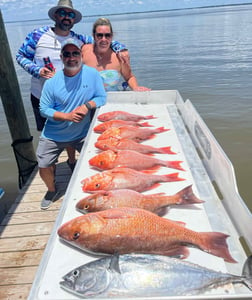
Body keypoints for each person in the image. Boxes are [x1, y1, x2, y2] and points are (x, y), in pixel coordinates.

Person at [16, 0, 126, 171]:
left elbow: (103, 41)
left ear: (74, 19)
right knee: (50, 132)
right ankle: (51, 165)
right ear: (55, 15)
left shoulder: (78, 38)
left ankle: (72, 160)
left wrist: (121, 48)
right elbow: (21, 55)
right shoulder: (37, 35)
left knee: (72, 128)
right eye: (63, 13)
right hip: (42, 94)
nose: (66, 17)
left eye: (71, 14)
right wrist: (36, 70)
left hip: (72, 95)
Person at [37, 38, 106, 210]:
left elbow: (102, 97)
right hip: (53, 135)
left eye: (75, 53)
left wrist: (86, 106)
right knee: (43, 164)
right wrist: (66, 116)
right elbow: (43, 109)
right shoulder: (51, 83)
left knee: (100, 162)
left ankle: (96, 188)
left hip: (82, 134)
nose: (71, 57)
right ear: (61, 57)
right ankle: (51, 190)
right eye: (67, 54)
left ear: (81, 55)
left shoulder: (92, 74)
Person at [82, 17, 151, 92]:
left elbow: (129, 77)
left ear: (112, 36)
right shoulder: (84, 52)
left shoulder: (120, 56)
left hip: (113, 100)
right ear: (94, 36)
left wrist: (135, 87)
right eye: (99, 35)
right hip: (89, 101)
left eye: (107, 35)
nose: (104, 39)